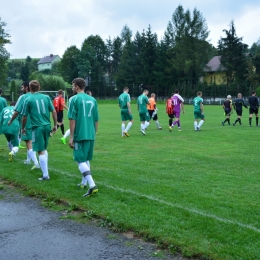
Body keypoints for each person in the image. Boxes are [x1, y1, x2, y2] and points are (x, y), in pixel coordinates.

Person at [68, 78, 99, 197]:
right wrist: (94, 132)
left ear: (76, 86)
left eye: (72, 85)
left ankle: (92, 185)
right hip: (90, 133)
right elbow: (96, 120)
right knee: (86, 159)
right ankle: (83, 182)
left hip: (80, 134)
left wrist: (71, 137)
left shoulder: (73, 99)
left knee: (80, 160)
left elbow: (72, 120)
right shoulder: (92, 99)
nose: (71, 87)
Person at [21, 80, 57, 180]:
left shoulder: (28, 99)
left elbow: (24, 116)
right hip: (47, 126)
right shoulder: (46, 97)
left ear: (30, 88)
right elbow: (53, 111)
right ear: (39, 87)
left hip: (37, 127)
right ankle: (45, 170)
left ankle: (45, 175)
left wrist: (23, 128)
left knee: (40, 151)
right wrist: (55, 125)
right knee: (44, 148)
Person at [8, 81, 40, 169]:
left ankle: (36, 163)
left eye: (22, 87)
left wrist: (11, 120)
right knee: (32, 142)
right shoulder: (39, 96)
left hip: (27, 122)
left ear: (27, 87)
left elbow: (17, 111)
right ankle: (28, 160)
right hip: (38, 122)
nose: (21, 89)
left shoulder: (23, 97)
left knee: (28, 142)